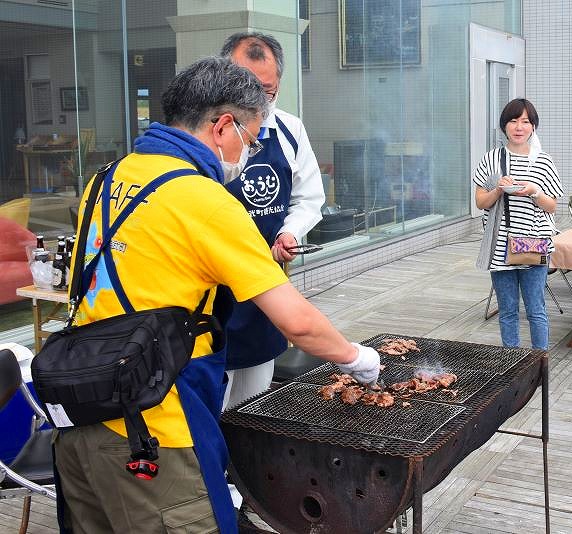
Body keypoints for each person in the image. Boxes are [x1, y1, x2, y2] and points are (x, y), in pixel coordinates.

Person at [52, 57, 380, 534]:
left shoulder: (107, 178)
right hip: (153, 429)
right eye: (251, 139)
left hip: (81, 414)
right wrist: (357, 359)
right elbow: (296, 322)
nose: (249, 152)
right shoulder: (203, 201)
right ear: (223, 126)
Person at [216, 32, 326, 408]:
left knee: (256, 401)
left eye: (267, 91)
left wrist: (289, 232)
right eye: (246, 91)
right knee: (213, 401)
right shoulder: (203, 135)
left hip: (267, 282)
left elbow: (309, 198)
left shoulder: (290, 130)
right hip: (213, 290)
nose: (258, 105)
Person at [474, 98, 564, 349]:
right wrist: (499, 190)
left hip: (532, 243)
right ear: (504, 126)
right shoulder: (492, 159)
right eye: (513, 121)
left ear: (533, 127)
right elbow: (481, 201)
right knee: (507, 311)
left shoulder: (544, 161)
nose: (519, 126)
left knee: (536, 308)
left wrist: (535, 191)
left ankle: (539, 361)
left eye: (525, 121)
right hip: (500, 245)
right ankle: (512, 364)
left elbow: (553, 205)